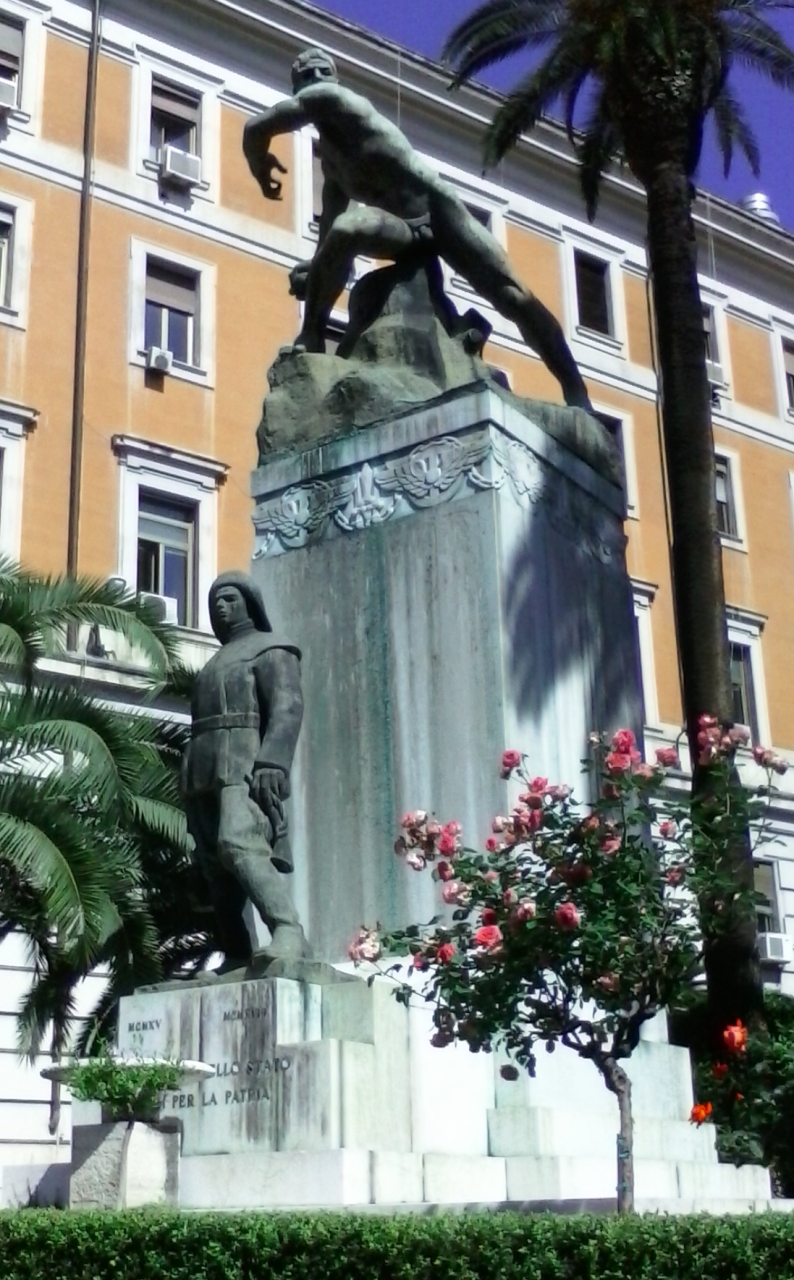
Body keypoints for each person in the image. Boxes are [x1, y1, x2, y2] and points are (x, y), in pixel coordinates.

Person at [243, 47, 591, 410]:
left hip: (439, 213)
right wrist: (316, 270)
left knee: (514, 296)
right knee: (347, 230)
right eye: (306, 75)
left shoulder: (340, 100)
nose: (315, 79)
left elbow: (255, 129)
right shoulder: (333, 167)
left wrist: (259, 163)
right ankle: (311, 335)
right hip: (405, 234)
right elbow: (330, 232)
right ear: (296, 86)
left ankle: (575, 389)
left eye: (321, 72)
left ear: (332, 81)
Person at [182, 571, 308, 969]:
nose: (222, 607)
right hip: (202, 767)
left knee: (238, 842)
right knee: (213, 864)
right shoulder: (214, 662)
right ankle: (236, 952)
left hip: (244, 762)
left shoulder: (271, 648)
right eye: (216, 601)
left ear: (250, 603)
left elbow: (287, 707)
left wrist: (273, 762)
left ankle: (288, 928)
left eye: (230, 599)